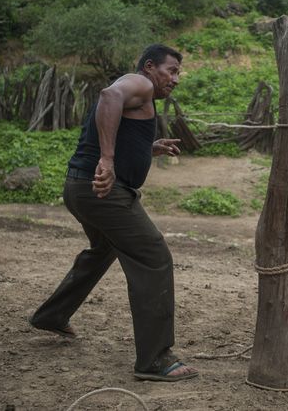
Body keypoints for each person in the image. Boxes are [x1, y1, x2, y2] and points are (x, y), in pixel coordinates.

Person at [29, 44, 198, 382]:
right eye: (172, 71)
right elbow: (108, 97)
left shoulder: (138, 91)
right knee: (153, 255)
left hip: (80, 189)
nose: (176, 79)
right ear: (150, 67)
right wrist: (106, 160)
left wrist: (149, 148)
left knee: (104, 249)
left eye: (179, 73)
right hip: (105, 191)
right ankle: (155, 360)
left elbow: (115, 125)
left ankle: (53, 315)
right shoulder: (141, 84)